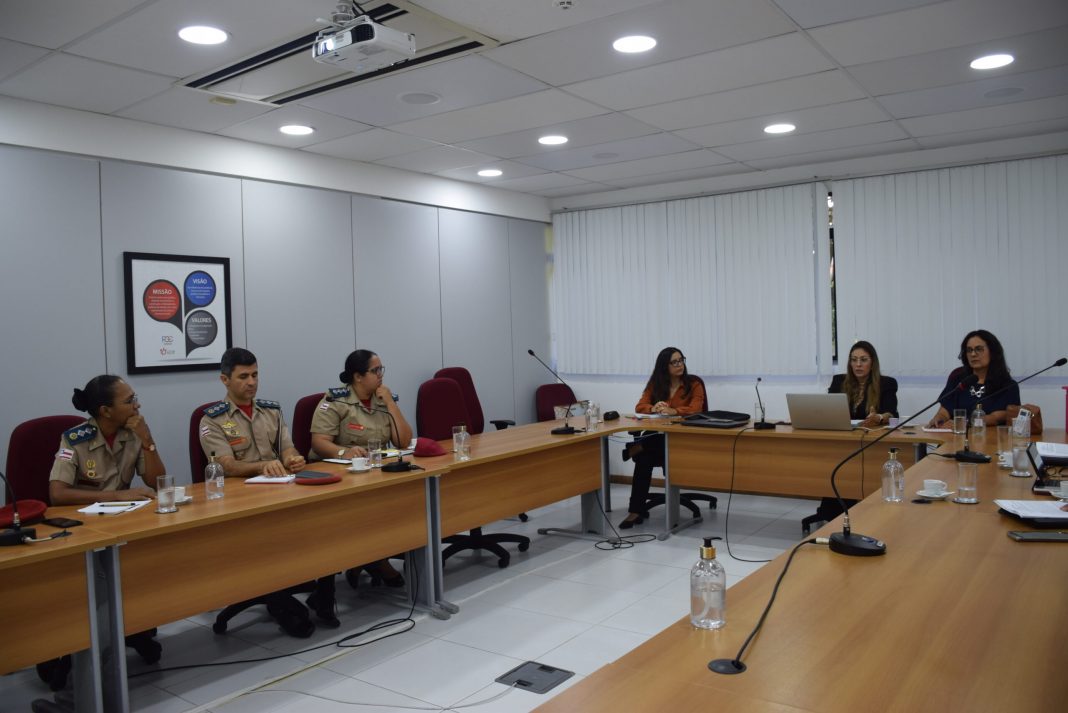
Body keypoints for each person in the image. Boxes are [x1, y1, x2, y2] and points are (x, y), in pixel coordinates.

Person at [45, 374, 166, 681]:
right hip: (82, 531)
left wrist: (148, 439)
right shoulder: (74, 439)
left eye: (135, 397)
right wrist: (115, 494)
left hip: (123, 525)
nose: (137, 404)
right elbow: (57, 493)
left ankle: (121, 625)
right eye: (129, 401)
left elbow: (155, 481)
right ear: (105, 411)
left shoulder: (134, 433)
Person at [199, 347, 314, 637]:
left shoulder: (271, 410)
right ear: (225, 380)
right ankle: (278, 600)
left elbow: (286, 445)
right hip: (239, 502)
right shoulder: (211, 419)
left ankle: (322, 595)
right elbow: (225, 465)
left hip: (279, 493)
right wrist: (264, 466)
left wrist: (292, 458)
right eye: (243, 377)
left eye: (255, 375)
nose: (251, 382)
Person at [306, 350, 413, 617]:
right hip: (340, 476)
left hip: (374, 475)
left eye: (381, 370)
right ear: (357, 376)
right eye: (375, 371)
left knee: (405, 504)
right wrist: (344, 452)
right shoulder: (335, 401)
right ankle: (368, 562)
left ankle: (374, 558)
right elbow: (318, 442)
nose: (381, 376)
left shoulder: (382, 400)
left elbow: (402, 441)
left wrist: (390, 403)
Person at [620, 347, 705, 529]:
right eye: (674, 362)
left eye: (681, 360)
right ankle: (635, 510)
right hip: (658, 438)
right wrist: (654, 408)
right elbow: (640, 406)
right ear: (664, 366)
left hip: (681, 440)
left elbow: (697, 409)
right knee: (644, 458)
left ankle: (636, 447)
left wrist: (674, 411)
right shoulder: (656, 385)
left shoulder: (694, 384)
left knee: (647, 449)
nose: (679, 365)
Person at [926, 329, 1020, 427]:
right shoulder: (957, 377)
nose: (973, 354)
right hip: (955, 439)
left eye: (979, 349)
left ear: (993, 352)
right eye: (969, 350)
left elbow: (995, 418)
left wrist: (963, 423)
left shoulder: (1007, 385)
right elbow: (944, 411)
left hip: (989, 440)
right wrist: (938, 419)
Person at [828, 340, 898, 428]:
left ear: (873, 363)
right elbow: (829, 410)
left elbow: (891, 414)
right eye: (854, 360)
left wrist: (879, 417)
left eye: (863, 360)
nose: (858, 364)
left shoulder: (887, 383)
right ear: (850, 363)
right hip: (843, 433)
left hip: (872, 434)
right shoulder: (838, 381)